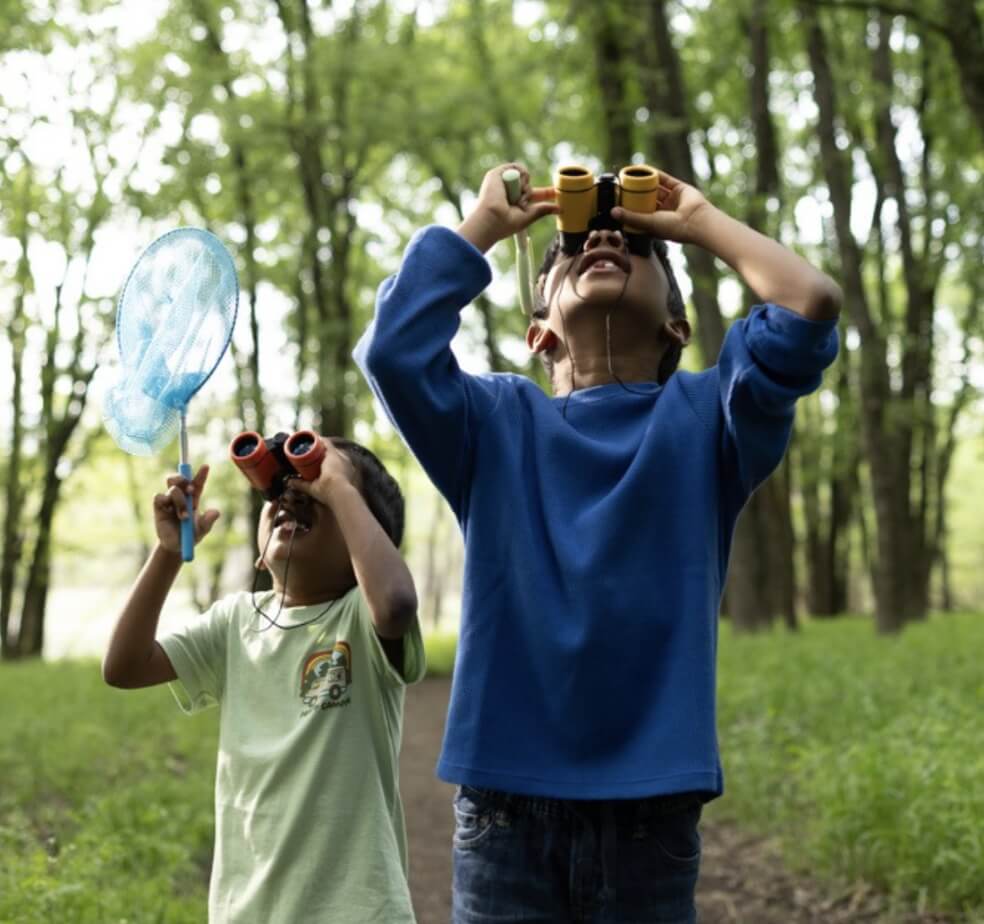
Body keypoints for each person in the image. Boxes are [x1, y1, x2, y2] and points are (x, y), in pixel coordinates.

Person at [354, 162, 841, 923]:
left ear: (677, 329)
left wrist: (697, 220)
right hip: (505, 807)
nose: (606, 235)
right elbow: (392, 351)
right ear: (538, 330)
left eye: (636, 244)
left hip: (651, 811)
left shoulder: (711, 417)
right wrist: (482, 227)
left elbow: (809, 305)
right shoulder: (493, 424)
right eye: (573, 244)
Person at [102, 435, 425, 924]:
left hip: (358, 910)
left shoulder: (360, 618)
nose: (291, 498)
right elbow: (123, 667)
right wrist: (168, 553)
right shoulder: (235, 622)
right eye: (278, 493)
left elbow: (397, 603)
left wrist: (337, 487)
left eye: (315, 491)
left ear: (364, 546)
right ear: (258, 555)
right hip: (246, 910)